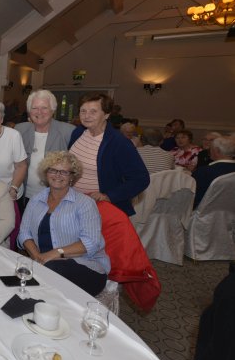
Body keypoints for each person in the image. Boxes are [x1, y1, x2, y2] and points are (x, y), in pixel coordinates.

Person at [18, 151, 110, 296]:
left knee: (50, 271)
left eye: (64, 172)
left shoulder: (85, 203)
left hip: (85, 267)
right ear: (46, 173)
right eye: (53, 170)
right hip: (44, 264)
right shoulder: (36, 200)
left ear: (72, 177)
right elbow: (24, 233)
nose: (57, 175)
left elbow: (91, 242)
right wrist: (37, 257)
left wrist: (54, 254)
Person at [68, 93, 149, 216]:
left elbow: (141, 179)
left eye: (93, 111)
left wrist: (109, 196)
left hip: (99, 208)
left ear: (106, 114)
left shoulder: (119, 142)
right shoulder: (78, 132)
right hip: (73, 202)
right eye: (83, 111)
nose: (86, 116)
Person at [15, 90, 75, 209]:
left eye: (44, 108)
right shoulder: (19, 130)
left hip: (56, 196)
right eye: (34, 108)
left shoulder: (68, 131)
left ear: (53, 110)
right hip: (25, 195)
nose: (39, 112)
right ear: (29, 111)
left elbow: (75, 166)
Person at [192, 135, 235, 208]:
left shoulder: (203, 172)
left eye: (211, 149)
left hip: (207, 212)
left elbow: (195, 200)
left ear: (217, 151)